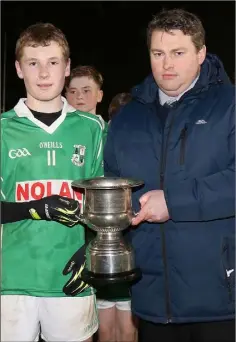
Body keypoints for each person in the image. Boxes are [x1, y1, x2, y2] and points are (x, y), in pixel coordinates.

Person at [103, 8, 235, 342]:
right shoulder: (127, 118)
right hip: (151, 298)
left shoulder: (230, 105)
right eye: (158, 54)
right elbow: (114, 183)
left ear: (201, 53)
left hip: (220, 297)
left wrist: (173, 202)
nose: (167, 65)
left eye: (178, 53)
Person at [1, 22, 104, 342]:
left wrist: (92, 250)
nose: (44, 73)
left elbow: (103, 205)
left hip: (72, 278)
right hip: (11, 281)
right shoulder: (3, 129)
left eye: (53, 62)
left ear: (67, 68)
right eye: (33, 63)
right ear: (19, 69)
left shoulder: (92, 129)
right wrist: (34, 208)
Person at [96, 92, 137, 342]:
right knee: (105, 329)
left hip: (133, 241)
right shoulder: (100, 140)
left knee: (128, 329)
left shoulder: (143, 145)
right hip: (101, 243)